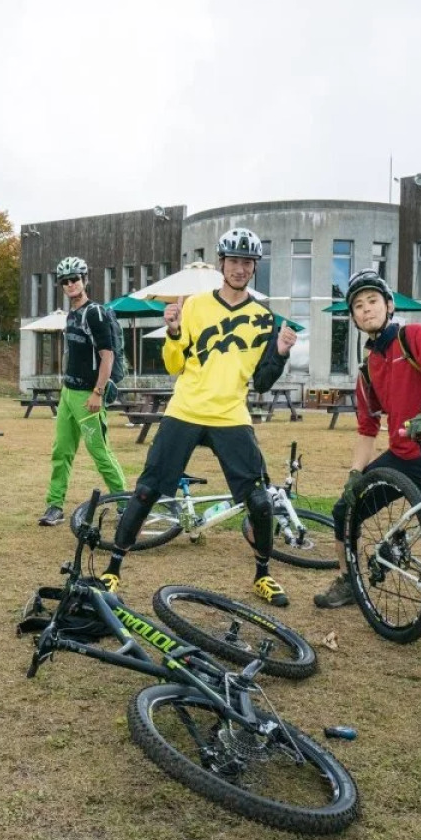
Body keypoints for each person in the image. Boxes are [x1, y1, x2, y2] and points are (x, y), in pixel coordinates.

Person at [98, 228, 298, 609]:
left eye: (247, 262)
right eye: (234, 260)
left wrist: (281, 352)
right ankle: (113, 568)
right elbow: (174, 365)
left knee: (259, 502)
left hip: (231, 415)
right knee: (146, 490)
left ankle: (263, 575)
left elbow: (262, 382)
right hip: (186, 410)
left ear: (255, 267)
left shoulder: (264, 318)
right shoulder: (194, 306)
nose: (240, 268)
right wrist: (173, 332)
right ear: (222, 263)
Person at [315, 269, 421, 609]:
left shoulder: (411, 335)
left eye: (372, 301)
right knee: (345, 510)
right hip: (401, 456)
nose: (366, 309)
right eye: (358, 306)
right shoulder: (367, 369)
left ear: (388, 306)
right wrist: (355, 474)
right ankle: (348, 580)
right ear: (354, 318)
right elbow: (367, 428)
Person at [37, 256, 128, 526]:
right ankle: (55, 506)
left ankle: (125, 505)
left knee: (100, 452)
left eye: (74, 279)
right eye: (64, 281)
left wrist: (98, 393)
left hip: (88, 395)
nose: (70, 284)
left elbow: (107, 356)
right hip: (68, 392)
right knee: (61, 452)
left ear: (85, 280)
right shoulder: (72, 315)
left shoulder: (94, 313)